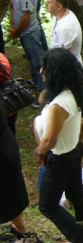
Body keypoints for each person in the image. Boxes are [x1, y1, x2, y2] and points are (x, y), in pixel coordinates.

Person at [35, 48, 83, 243]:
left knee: (47, 206)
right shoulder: (72, 93)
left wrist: (39, 151)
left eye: (44, 68)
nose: (40, 72)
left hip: (60, 158)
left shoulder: (59, 104)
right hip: (72, 151)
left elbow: (49, 139)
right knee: (76, 195)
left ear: (55, 72)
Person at [0, 94, 40, 242]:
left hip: (4, 150)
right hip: (6, 145)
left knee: (11, 193)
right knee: (12, 192)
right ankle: (20, 229)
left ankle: (21, 231)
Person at [8, 0, 45, 105]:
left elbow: (26, 19)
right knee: (31, 59)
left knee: (38, 62)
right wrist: (12, 26)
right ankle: (36, 83)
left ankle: (44, 93)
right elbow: (13, 8)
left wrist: (15, 32)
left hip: (29, 32)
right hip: (23, 32)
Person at [46, 0, 83, 65]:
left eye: (49, 3)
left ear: (59, 6)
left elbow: (63, 56)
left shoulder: (66, 27)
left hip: (68, 68)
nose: (46, 4)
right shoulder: (58, 14)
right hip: (57, 61)